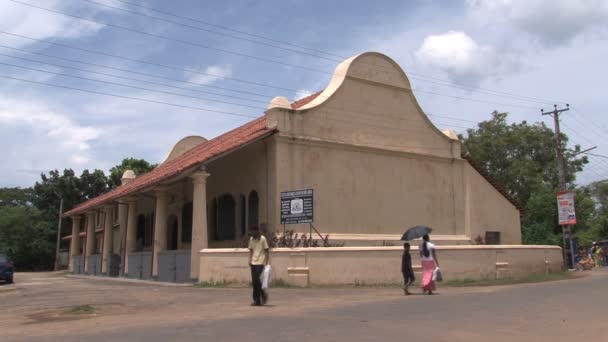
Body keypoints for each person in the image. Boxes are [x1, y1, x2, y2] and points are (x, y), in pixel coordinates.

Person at [248, 226, 269, 306]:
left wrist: (266, 263)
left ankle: (262, 295)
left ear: (256, 231)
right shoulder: (251, 239)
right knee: (254, 282)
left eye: (253, 232)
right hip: (253, 262)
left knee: (257, 280)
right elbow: (251, 250)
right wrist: (249, 260)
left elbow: (267, 250)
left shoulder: (263, 239)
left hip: (260, 262)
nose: (251, 233)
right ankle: (257, 300)